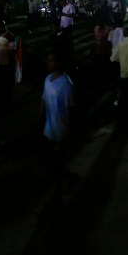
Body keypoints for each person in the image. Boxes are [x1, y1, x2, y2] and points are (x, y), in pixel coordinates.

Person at [39, 47, 76, 209]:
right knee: (48, 163)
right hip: (48, 131)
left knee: (57, 165)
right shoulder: (48, 80)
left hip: (61, 133)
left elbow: (71, 112)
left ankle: (57, 197)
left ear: (60, 63)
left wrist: (67, 136)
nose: (47, 62)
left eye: (51, 60)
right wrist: (38, 122)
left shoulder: (66, 86)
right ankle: (68, 179)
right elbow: (44, 101)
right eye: (47, 59)